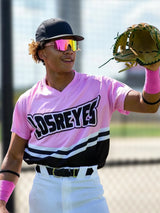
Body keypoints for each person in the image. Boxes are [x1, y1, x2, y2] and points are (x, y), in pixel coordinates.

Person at [0, 18, 160, 213]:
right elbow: (14, 155)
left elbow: (148, 105)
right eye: (61, 44)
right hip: (44, 191)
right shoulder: (27, 101)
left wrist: (153, 71)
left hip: (87, 190)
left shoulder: (101, 87)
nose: (69, 50)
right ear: (41, 52)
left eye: (73, 44)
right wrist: (1, 200)